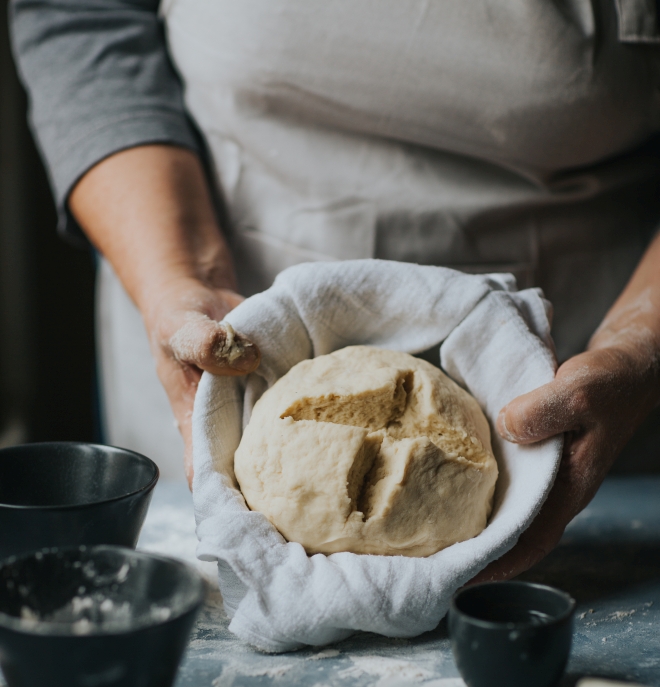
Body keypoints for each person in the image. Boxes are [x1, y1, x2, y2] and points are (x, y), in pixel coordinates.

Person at [9, 0, 660, 582]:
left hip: (583, 387)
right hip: (210, 297)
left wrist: (641, 341)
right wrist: (178, 277)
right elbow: (82, 14)